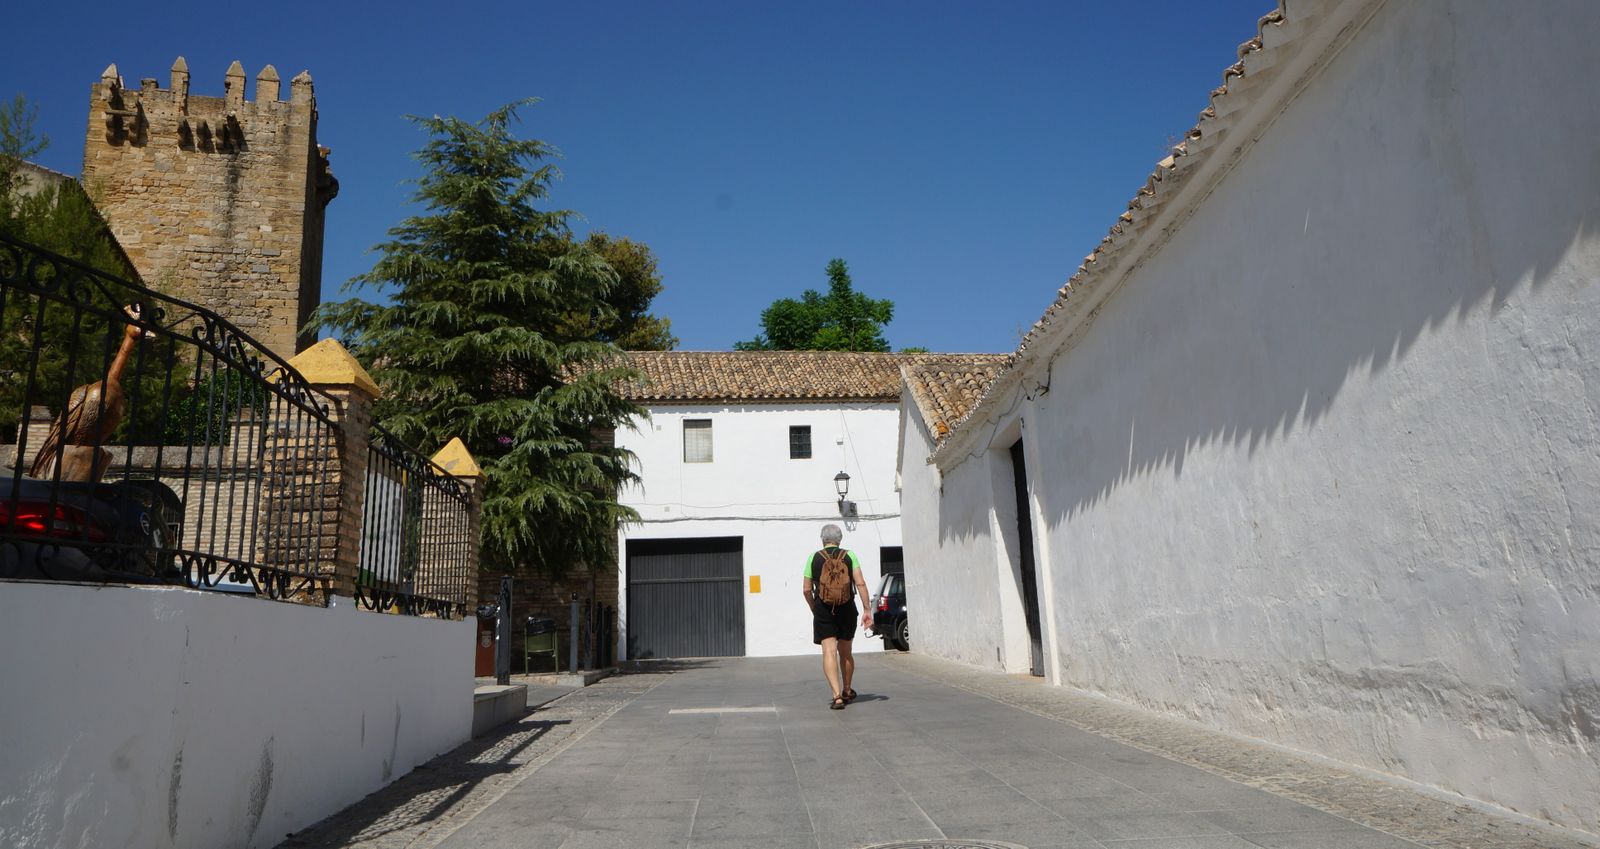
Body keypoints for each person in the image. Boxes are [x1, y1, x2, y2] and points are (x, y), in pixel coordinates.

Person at [802, 523, 872, 710]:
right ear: (839, 540)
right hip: (846, 607)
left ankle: (836, 696)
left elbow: (807, 589)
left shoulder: (813, 558)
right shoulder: (850, 556)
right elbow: (861, 583)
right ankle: (847, 690)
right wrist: (867, 610)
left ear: (822, 539)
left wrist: (814, 608)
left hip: (823, 609)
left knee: (829, 651)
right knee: (846, 651)